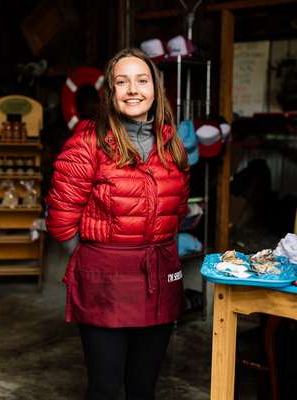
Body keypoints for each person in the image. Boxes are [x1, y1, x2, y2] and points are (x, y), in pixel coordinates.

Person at [45, 47, 190, 400]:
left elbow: (178, 209)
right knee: (106, 389)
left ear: (156, 89)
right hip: (105, 282)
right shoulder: (87, 141)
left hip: (159, 276)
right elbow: (61, 218)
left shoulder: (171, 143)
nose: (133, 90)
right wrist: (97, 260)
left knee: (144, 387)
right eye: (121, 82)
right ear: (109, 92)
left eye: (142, 80)